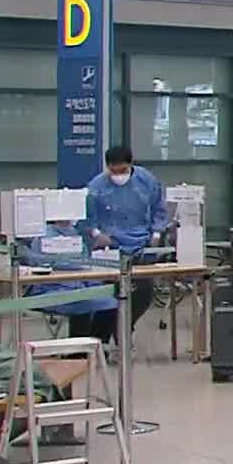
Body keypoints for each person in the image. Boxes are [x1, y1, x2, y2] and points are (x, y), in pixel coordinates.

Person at [75, 146, 169, 345]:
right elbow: (84, 218)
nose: (118, 175)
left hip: (140, 246)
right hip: (110, 249)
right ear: (107, 167)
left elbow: (159, 209)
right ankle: (101, 341)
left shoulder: (147, 181)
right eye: (114, 171)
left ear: (131, 164)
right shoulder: (96, 187)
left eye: (123, 170)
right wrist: (96, 234)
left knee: (142, 294)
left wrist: (157, 232)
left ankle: (124, 329)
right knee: (108, 296)